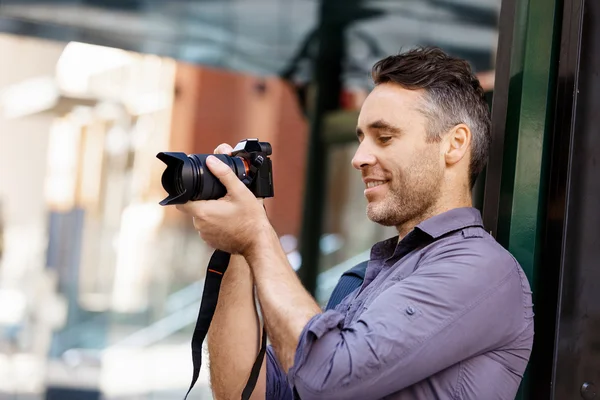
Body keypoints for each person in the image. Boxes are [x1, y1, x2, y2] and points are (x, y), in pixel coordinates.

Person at [176, 47, 534, 399]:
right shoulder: (361, 280)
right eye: (362, 138)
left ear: (454, 145)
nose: (359, 158)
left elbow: (328, 381)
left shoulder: (480, 270)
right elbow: (243, 389)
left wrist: (257, 236)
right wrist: (236, 246)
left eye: (385, 137)